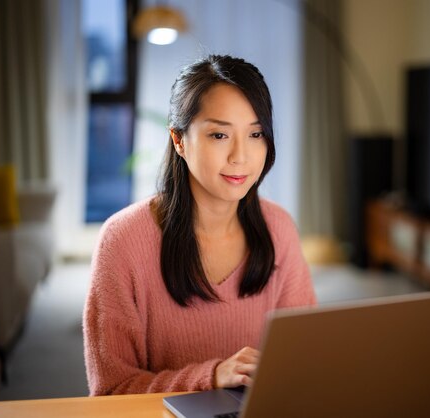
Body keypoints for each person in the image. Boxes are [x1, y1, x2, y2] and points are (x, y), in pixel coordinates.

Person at [83, 55, 316, 395]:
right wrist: (212, 377)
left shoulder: (279, 228)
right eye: (220, 135)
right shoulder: (123, 240)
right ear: (179, 140)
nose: (240, 156)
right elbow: (111, 391)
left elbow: (305, 358)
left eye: (255, 134)